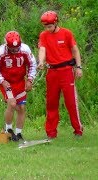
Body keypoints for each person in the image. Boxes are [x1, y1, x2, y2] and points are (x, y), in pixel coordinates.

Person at [37, 10, 83, 139]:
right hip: (52, 72)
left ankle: (78, 130)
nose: (47, 29)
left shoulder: (66, 33)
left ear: (56, 23)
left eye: (49, 26)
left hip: (66, 71)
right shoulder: (44, 35)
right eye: (45, 26)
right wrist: (41, 61)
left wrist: (78, 67)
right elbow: (42, 49)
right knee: (51, 103)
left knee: (71, 102)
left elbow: (75, 50)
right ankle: (51, 133)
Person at [0, 31, 37, 141]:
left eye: (17, 48)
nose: (15, 51)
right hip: (6, 82)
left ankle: (19, 133)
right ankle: (8, 130)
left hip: (20, 81)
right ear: (7, 45)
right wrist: (2, 81)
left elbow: (32, 64)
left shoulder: (25, 49)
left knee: (21, 107)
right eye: (12, 49)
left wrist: (30, 79)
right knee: (12, 103)